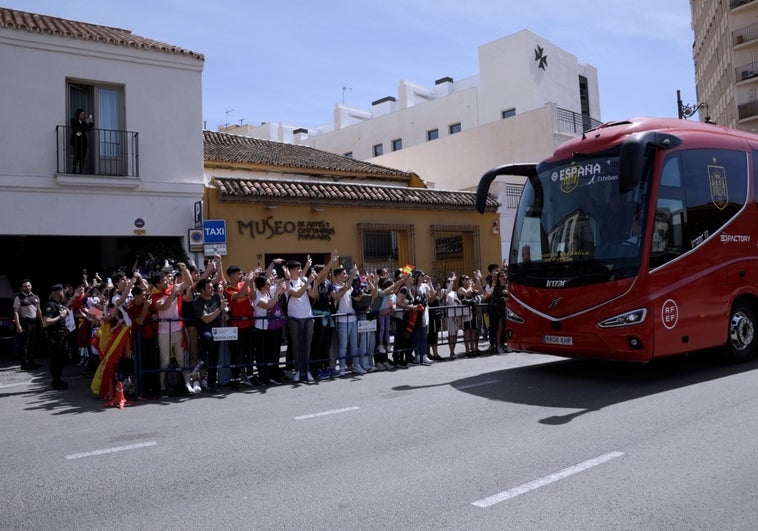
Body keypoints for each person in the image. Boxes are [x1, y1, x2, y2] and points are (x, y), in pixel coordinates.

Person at [284, 257, 319, 383]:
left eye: (300, 268)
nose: (300, 270)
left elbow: (313, 295)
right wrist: (307, 281)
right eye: (297, 268)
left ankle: (307, 370)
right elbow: (297, 294)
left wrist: (315, 282)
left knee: (307, 345)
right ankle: (298, 370)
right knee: (297, 345)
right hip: (294, 317)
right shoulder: (286, 283)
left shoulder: (304, 279)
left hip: (308, 316)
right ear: (290, 270)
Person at [193, 278, 228, 393]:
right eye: (209, 287)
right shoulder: (197, 302)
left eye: (212, 287)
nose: (212, 288)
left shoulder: (216, 297)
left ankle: (211, 382)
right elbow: (206, 319)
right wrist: (219, 310)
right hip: (205, 329)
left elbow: (222, 311)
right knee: (208, 338)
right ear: (202, 290)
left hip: (217, 329)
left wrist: (224, 314)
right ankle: (202, 359)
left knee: (215, 355)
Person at [330, 264, 362, 375]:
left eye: (346, 274)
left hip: (353, 317)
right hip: (342, 319)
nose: (346, 275)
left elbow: (354, 296)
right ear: (338, 276)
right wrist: (352, 274)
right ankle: (342, 367)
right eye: (344, 274)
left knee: (354, 345)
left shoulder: (350, 287)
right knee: (343, 346)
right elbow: (340, 293)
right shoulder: (334, 287)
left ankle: (356, 365)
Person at [41, 284, 71, 390]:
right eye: (62, 292)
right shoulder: (51, 305)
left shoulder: (58, 304)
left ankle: (57, 379)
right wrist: (60, 317)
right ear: (58, 293)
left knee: (63, 358)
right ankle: (56, 381)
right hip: (56, 337)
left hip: (62, 336)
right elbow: (46, 322)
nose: (63, 293)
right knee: (56, 360)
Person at [13, 279, 42, 371]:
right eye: (25, 286)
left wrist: (42, 322)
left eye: (28, 286)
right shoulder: (19, 297)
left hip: (34, 322)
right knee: (24, 344)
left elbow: (39, 310)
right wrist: (18, 325)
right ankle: (24, 364)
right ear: (22, 287)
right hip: (25, 322)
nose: (27, 287)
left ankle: (31, 362)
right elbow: (16, 312)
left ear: (31, 286)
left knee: (32, 343)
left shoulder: (35, 297)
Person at [70, 108, 93, 174]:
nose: (83, 115)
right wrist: (85, 123)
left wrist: (90, 122)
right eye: (82, 113)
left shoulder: (83, 123)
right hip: (76, 141)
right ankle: (74, 169)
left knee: (82, 156)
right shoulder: (73, 120)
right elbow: (75, 128)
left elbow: (88, 130)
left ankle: (81, 170)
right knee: (77, 155)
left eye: (83, 114)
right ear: (78, 114)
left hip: (83, 142)